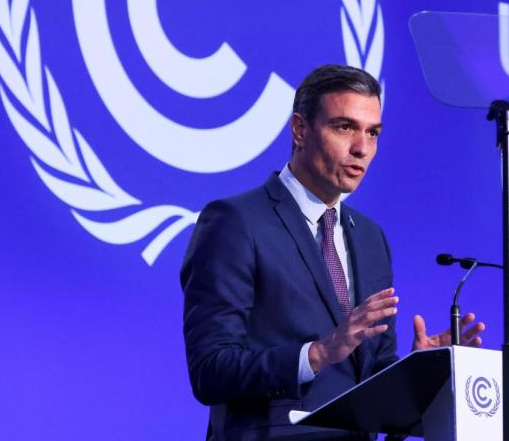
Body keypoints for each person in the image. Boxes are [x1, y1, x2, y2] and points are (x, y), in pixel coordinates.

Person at [181, 65, 484, 441]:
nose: (362, 148)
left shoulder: (371, 239)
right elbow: (211, 370)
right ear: (300, 130)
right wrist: (317, 354)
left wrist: (416, 372)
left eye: (372, 133)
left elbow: (368, 376)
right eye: (345, 127)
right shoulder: (235, 222)